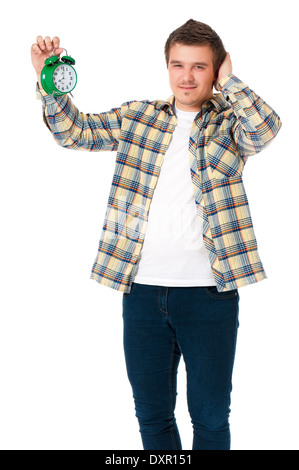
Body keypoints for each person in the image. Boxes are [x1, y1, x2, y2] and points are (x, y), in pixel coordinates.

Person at [31, 19, 282, 450]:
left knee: (209, 417)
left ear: (216, 69)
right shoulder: (138, 117)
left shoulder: (230, 124)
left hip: (208, 296)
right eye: (177, 64)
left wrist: (230, 81)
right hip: (142, 293)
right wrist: (50, 84)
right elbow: (73, 133)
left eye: (200, 67)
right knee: (151, 416)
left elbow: (266, 129)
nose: (186, 76)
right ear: (167, 66)